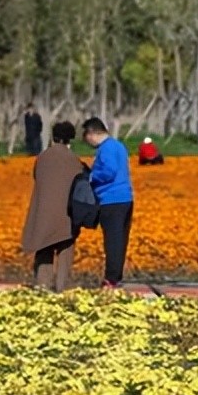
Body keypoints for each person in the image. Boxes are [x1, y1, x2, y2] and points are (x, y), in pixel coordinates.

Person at [21, 121, 81, 292]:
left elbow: (36, 177)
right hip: (66, 213)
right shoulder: (73, 160)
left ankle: (42, 285)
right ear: (70, 139)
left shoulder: (43, 157)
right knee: (65, 249)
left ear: (53, 137)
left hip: (44, 212)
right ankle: (62, 288)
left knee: (44, 249)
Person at [82, 117, 134, 289]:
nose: (85, 140)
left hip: (111, 200)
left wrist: (91, 177)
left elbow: (109, 171)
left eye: (85, 136)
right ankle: (115, 277)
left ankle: (111, 279)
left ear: (92, 133)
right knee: (120, 240)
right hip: (125, 198)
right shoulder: (118, 146)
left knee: (112, 241)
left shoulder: (106, 149)